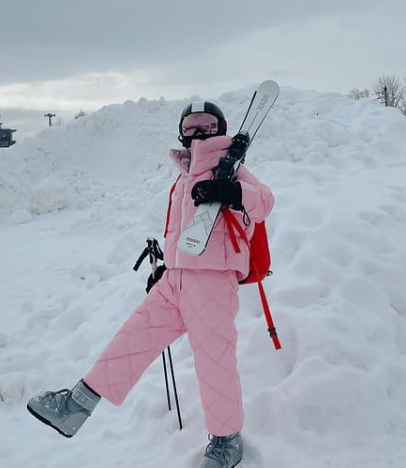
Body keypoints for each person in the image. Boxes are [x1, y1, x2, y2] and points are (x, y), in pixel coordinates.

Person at [27, 101, 274, 468]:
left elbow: (265, 203)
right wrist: (170, 266)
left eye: (207, 124)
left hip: (212, 280)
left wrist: (234, 193)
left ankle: (226, 441)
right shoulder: (183, 175)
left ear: (220, 129)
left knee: (214, 362)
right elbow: (181, 230)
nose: (198, 131)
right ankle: (75, 406)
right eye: (190, 125)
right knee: (132, 339)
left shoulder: (233, 168)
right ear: (180, 131)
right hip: (175, 280)